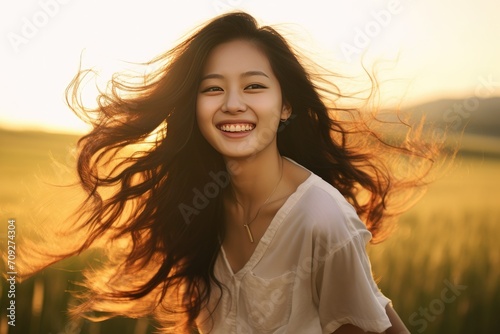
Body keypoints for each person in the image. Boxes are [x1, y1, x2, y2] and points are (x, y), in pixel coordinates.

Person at [25, 11, 441, 333]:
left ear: (286, 106)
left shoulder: (322, 220)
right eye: (212, 88)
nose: (233, 104)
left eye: (254, 86)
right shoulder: (196, 206)